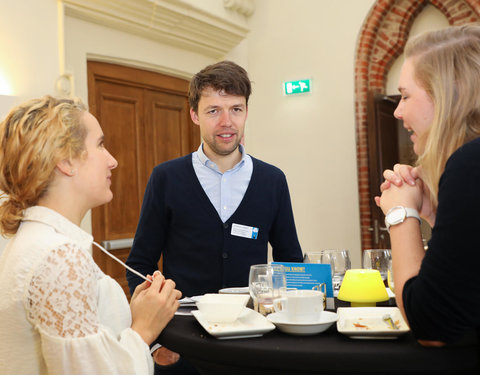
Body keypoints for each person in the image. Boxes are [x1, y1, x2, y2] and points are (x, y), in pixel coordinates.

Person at [126, 60, 303, 373]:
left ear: (247, 111)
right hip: (182, 345)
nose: (227, 121)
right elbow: (140, 266)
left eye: (236, 109)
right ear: (194, 115)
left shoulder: (272, 180)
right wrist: (156, 338)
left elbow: (290, 262)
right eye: (214, 110)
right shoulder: (166, 178)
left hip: (255, 342)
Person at [0, 96, 181, 375]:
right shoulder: (58, 257)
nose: (113, 161)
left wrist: (131, 314)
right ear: (65, 161)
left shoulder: (40, 241)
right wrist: (143, 331)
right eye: (100, 144)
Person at [375, 25, 480, 349]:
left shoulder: (469, 164)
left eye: (406, 95)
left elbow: (433, 325)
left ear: (451, 92)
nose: (397, 110)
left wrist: (400, 212)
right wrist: (436, 216)